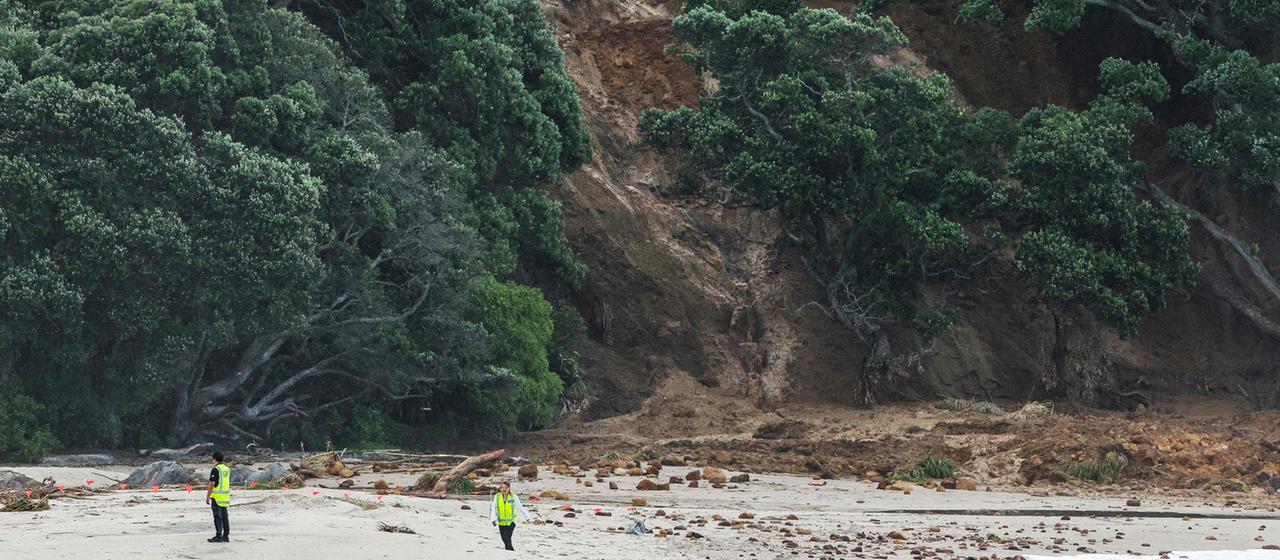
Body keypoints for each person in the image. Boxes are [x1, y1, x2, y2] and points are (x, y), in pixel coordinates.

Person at [489, 480, 532, 551]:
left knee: (507, 538)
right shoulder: (497, 497)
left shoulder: (513, 497)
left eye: (506, 487)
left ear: (509, 488)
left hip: (511, 522)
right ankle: (510, 552)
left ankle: (510, 553)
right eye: (502, 487)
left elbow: (520, 507)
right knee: (504, 540)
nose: (504, 489)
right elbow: (494, 509)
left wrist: (527, 516)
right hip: (501, 522)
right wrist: (493, 519)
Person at [204, 450, 231, 543]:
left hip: (217, 497)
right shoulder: (227, 469)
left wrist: (208, 497)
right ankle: (226, 536)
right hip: (225, 497)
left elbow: (212, 484)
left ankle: (218, 536)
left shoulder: (216, 469)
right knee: (225, 517)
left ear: (215, 459)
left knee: (217, 517)